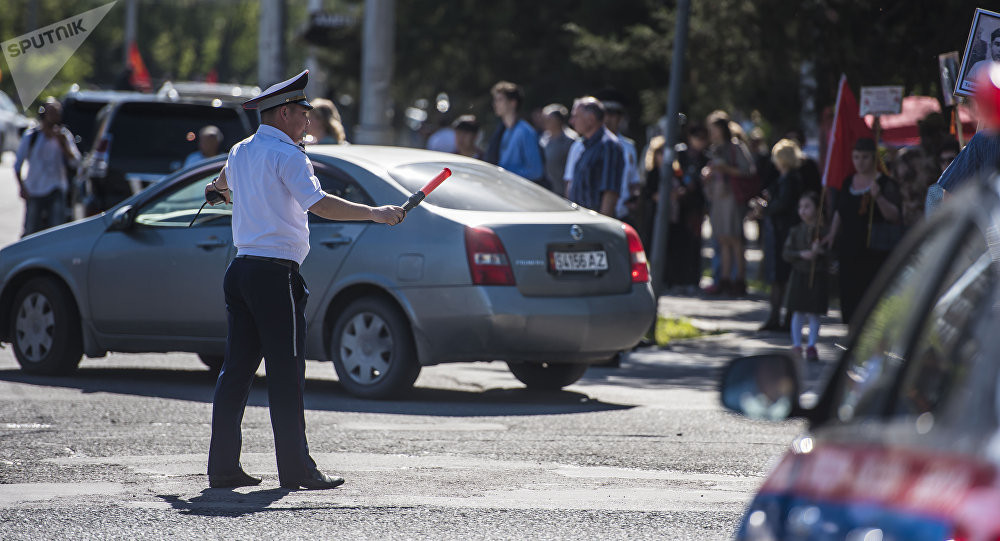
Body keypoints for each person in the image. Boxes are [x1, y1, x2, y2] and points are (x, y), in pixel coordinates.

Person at [204, 70, 406, 490]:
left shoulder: (242, 150)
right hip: (274, 275)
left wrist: (219, 191)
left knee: (236, 371)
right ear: (282, 114)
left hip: (241, 270)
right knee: (286, 373)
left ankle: (223, 468)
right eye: (302, 113)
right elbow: (319, 204)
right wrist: (375, 213)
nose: (308, 122)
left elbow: (219, 185)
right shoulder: (289, 156)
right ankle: (297, 471)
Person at [822, 137, 901, 325]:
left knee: (870, 299)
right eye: (856, 157)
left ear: (874, 158)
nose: (860, 162)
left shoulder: (885, 183)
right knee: (849, 296)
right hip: (849, 249)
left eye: (865, 157)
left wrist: (878, 197)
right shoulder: (848, 181)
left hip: (873, 251)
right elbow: (840, 211)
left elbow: (894, 215)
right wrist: (833, 234)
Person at [703, 116, 755, 296]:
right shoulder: (715, 149)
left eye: (715, 129)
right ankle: (724, 280)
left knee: (735, 239)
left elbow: (748, 170)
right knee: (723, 238)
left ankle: (739, 280)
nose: (712, 133)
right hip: (718, 197)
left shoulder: (736, 147)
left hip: (732, 197)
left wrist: (726, 169)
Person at [13, 97, 80, 237]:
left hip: (57, 188)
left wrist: (64, 145)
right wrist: (22, 187)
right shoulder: (32, 136)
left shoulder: (64, 136)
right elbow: (17, 165)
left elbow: (76, 162)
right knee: (31, 230)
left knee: (56, 231)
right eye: (51, 113)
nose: (55, 117)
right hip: (35, 189)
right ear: (43, 114)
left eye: (57, 113)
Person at [757, 139, 804, 331]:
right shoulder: (785, 179)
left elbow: (782, 204)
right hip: (778, 231)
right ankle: (777, 317)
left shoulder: (791, 180)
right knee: (779, 277)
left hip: (783, 232)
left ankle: (782, 319)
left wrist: (765, 209)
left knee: (782, 277)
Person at [783, 192, 828, 362]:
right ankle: (796, 344)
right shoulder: (795, 231)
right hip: (799, 274)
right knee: (798, 311)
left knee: (814, 312)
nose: (802, 211)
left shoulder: (823, 231)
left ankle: (811, 345)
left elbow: (832, 253)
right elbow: (786, 253)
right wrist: (801, 254)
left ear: (817, 209)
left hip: (816, 275)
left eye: (807, 207)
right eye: (800, 207)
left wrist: (820, 251)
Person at [567, 97, 624, 216]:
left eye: (576, 116)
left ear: (591, 119)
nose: (571, 121)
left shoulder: (609, 145)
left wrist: (601, 227)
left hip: (593, 226)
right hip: (581, 222)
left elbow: (610, 192)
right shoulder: (586, 145)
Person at [484, 81, 544, 185]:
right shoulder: (503, 131)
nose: (495, 104)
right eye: (495, 100)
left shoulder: (525, 131)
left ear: (513, 103)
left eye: (500, 100)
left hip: (520, 194)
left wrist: (504, 173)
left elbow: (536, 171)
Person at [602, 99, 642, 224]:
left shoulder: (628, 146)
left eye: (614, 115)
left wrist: (634, 199)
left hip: (622, 210)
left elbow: (634, 179)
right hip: (600, 210)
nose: (610, 119)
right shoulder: (594, 145)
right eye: (607, 115)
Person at [539, 103, 576, 194]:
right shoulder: (543, 139)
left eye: (549, 119)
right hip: (548, 190)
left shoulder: (571, 141)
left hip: (564, 191)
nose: (545, 122)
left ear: (558, 120)